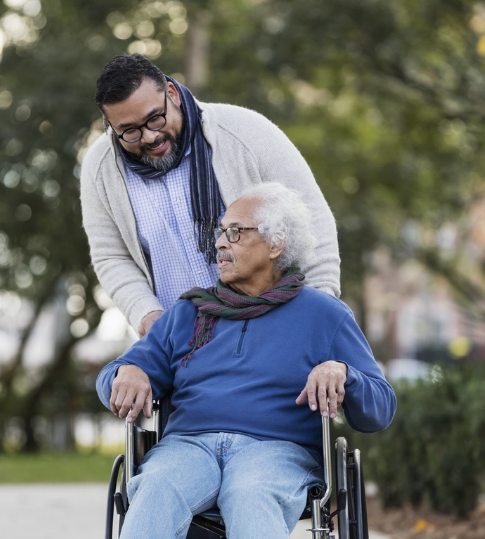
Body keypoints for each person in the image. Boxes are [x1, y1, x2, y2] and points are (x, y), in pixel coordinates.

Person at [96, 183, 396, 539]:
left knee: (249, 493)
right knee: (156, 487)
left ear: (276, 243)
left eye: (235, 232)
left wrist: (344, 373)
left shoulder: (324, 315)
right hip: (188, 447)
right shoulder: (189, 312)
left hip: (277, 451)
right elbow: (111, 378)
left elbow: (380, 409)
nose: (220, 243)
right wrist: (125, 373)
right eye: (221, 232)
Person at [80, 53, 340, 337]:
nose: (149, 137)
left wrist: (318, 314)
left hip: (274, 333)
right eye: (129, 131)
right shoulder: (100, 168)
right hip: (183, 349)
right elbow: (111, 256)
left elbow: (312, 221)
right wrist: (146, 313)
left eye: (155, 118)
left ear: (171, 93)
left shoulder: (247, 132)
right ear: (109, 123)